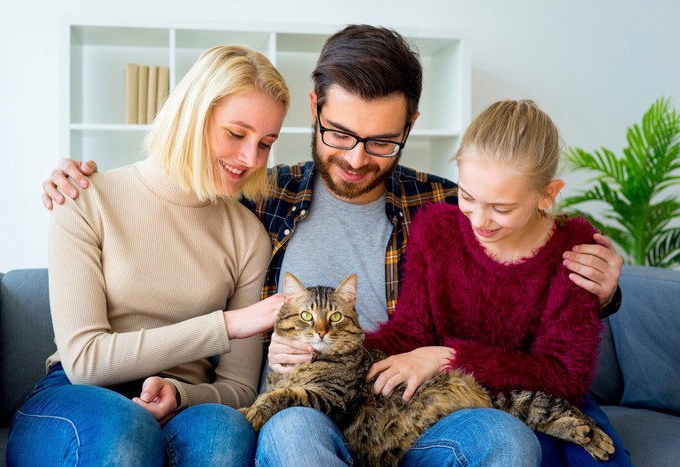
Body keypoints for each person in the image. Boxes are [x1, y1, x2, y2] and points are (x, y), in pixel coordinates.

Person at [41, 25, 624, 466]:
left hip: (403, 409)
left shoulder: (450, 207)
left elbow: (523, 236)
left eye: (381, 142)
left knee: (506, 438)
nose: (354, 157)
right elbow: (178, 199)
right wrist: (79, 182)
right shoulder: (260, 199)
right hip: (301, 408)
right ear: (316, 108)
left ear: (412, 126)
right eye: (340, 133)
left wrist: (601, 283)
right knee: (293, 435)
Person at [8, 45, 289, 466]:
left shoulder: (248, 235)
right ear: (192, 116)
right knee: (124, 431)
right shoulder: (84, 199)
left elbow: (239, 390)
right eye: (236, 134)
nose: (251, 159)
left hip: (185, 405)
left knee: (226, 433)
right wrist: (227, 324)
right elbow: (84, 360)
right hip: (78, 394)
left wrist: (182, 394)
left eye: (265, 143)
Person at [364, 99, 631, 466]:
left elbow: (562, 375)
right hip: (464, 404)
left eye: (502, 209)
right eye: (468, 197)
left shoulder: (575, 250)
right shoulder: (437, 229)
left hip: (546, 400)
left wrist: (448, 359)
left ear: (548, 194)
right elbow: (410, 333)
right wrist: (336, 353)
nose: (480, 221)